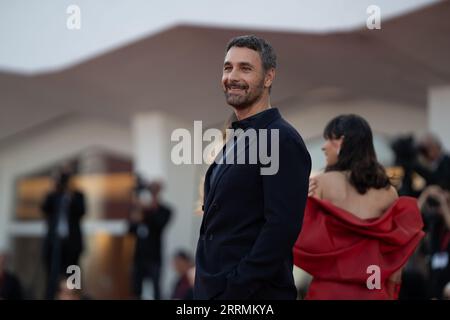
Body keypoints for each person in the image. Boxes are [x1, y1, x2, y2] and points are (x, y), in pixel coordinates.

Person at [194, 35, 311, 300]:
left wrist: (235, 288)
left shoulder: (282, 139)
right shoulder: (237, 139)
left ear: (269, 77)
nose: (232, 76)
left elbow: (281, 229)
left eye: (245, 68)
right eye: (227, 67)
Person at [294, 114, 425, 300]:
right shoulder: (389, 192)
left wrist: (299, 201)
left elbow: (300, 237)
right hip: (373, 288)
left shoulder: (319, 184)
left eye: (330, 140)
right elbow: (397, 256)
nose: (324, 146)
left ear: (342, 143)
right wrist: (391, 292)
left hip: (330, 289)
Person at [41, 168, 86, 300]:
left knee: (73, 274)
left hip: (72, 244)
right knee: (52, 276)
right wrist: (53, 188)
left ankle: (73, 296)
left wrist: (70, 194)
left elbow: (82, 211)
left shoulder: (78, 195)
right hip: (54, 243)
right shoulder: (54, 195)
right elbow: (45, 208)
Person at [129, 180, 172, 300]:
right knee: (135, 289)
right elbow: (130, 229)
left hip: (154, 257)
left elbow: (159, 224)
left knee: (156, 289)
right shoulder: (139, 210)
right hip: (138, 256)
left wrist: (149, 210)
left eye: (154, 192)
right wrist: (138, 211)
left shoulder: (165, 211)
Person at [418, 185, 450, 299]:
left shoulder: (446, 219)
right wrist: (425, 195)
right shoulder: (435, 223)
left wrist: (444, 203)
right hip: (434, 281)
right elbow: (413, 221)